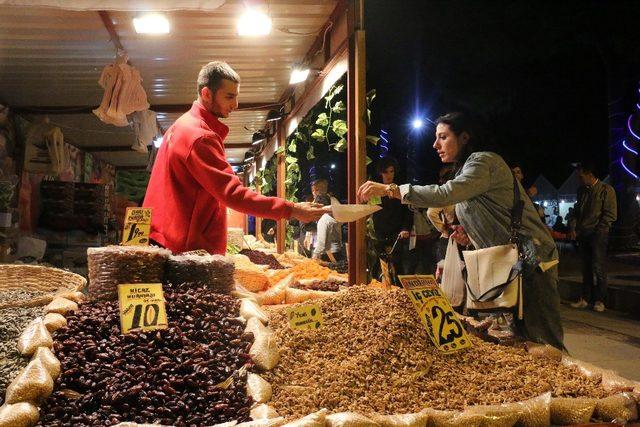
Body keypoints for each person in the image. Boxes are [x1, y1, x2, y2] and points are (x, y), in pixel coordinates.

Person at [358, 112, 565, 350]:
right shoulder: (467, 169)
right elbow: (485, 213)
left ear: (464, 137)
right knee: (520, 337)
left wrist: (390, 189)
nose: (435, 145)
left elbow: (445, 194)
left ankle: (565, 386)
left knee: (543, 338)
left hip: (532, 259)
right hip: (511, 263)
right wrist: (467, 232)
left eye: (443, 137)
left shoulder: (483, 162)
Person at [143, 61, 326, 254]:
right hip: (184, 249)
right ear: (206, 94)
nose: (235, 105)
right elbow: (233, 194)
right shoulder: (199, 136)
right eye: (229, 97)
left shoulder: (180, 127)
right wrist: (292, 210)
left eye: (236, 97)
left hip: (166, 239)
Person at [568, 162, 617, 313]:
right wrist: (573, 227)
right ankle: (585, 298)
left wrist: (599, 231)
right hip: (584, 234)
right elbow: (576, 211)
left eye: (581, 176)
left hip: (598, 235)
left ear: (590, 174)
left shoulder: (606, 190)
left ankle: (600, 300)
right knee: (586, 268)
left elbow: (610, 214)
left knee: (598, 267)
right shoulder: (581, 191)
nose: (579, 179)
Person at [371, 157, 413, 277]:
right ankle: (376, 289)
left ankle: (399, 290)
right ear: (380, 172)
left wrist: (406, 228)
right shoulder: (376, 190)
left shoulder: (400, 190)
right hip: (379, 232)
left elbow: (408, 211)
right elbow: (373, 210)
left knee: (397, 264)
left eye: (392, 171)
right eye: (386, 172)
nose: (389, 175)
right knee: (379, 265)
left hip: (397, 231)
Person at [312, 194, 344, 262]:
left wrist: (315, 254)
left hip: (328, 255)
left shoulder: (324, 219)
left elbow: (321, 243)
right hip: (338, 251)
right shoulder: (335, 217)